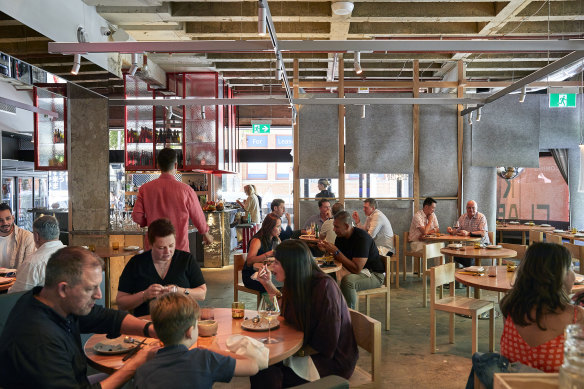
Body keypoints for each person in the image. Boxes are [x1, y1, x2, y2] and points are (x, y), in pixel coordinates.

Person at [0, 247, 157, 389]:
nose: (99, 295)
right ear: (63, 289)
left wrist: (151, 329)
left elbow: (106, 317)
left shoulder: (50, 300)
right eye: (90, 289)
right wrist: (134, 365)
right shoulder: (40, 339)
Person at [253, 239, 358, 388]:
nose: (271, 267)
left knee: (266, 374)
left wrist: (289, 353)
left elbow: (327, 343)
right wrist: (267, 284)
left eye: (276, 262)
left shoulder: (325, 288)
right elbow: (287, 308)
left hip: (330, 362)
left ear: (291, 265)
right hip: (308, 350)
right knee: (260, 367)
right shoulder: (298, 280)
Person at [134, 293, 259, 389]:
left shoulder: (142, 371)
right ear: (189, 331)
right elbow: (253, 366)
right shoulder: (205, 358)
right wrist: (216, 351)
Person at [117, 218, 206, 317]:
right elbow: (121, 303)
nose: (167, 252)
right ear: (150, 245)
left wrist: (179, 291)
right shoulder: (136, 263)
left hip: (183, 321)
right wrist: (144, 295)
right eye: (161, 248)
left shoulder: (186, 260)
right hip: (146, 323)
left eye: (171, 245)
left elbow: (202, 294)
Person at [132, 147, 213, 252]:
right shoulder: (186, 190)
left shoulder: (145, 189)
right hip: (178, 249)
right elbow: (198, 217)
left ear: (158, 165)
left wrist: (150, 222)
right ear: (176, 165)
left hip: (154, 249)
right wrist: (206, 234)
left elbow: (137, 217)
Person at [317, 211, 385, 309]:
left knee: (348, 282)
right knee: (325, 276)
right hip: (358, 271)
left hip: (374, 274)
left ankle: (349, 317)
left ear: (346, 226)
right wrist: (327, 250)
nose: (334, 229)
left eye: (336, 227)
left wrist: (336, 252)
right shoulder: (340, 237)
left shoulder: (361, 238)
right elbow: (338, 259)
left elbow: (356, 269)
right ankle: (330, 311)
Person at [9, 215, 65, 293]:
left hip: (41, 304)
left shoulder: (32, 263)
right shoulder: (72, 254)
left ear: (36, 236)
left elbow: (15, 296)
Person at [242, 213, 281, 293]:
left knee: (284, 280)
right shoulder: (257, 240)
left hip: (264, 272)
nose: (280, 229)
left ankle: (277, 303)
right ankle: (272, 303)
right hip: (251, 275)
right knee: (279, 283)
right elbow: (249, 261)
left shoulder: (274, 239)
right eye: (278, 226)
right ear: (269, 227)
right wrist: (268, 254)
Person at [447, 200, 490, 267]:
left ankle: (470, 270)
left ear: (476, 208)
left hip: (481, 243)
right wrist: (451, 231)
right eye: (469, 208)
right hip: (467, 244)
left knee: (468, 255)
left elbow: (483, 233)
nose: (471, 210)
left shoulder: (481, 217)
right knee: (453, 252)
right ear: (466, 208)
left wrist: (468, 233)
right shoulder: (462, 217)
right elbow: (457, 230)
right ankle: (468, 270)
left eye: (473, 208)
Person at [0, 202, 35, 269]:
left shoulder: (27, 237)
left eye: (8, 218)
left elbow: (30, 267)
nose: (5, 223)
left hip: (18, 279)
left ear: (13, 218)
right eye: (0, 220)